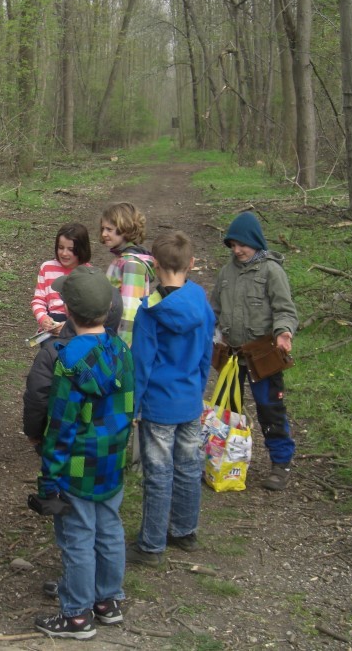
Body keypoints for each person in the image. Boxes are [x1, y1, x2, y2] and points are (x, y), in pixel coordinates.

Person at [26, 267, 133, 640]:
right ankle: (106, 599)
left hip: (76, 466)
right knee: (109, 529)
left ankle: (76, 614)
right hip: (112, 461)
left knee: (76, 537)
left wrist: (49, 476)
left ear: (68, 311)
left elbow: (61, 425)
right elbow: (128, 407)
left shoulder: (69, 359)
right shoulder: (122, 350)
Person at [126, 231, 215, 567]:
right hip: (190, 400)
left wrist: (135, 407)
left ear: (155, 266)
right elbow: (207, 351)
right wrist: (198, 389)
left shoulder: (149, 311)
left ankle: (151, 544)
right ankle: (184, 530)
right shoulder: (200, 300)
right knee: (190, 466)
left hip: (159, 406)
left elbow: (142, 363)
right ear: (191, 264)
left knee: (159, 473)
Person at [211, 211, 298, 491]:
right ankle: (224, 459)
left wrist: (284, 331)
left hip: (263, 354)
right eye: (233, 245)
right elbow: (215, 309)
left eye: (242, 244)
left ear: (255, 242)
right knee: (227, 410)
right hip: (232, 356)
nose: (237, 250)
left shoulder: (272, 271)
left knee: (270, 409)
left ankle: (280, 463)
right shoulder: (226, 274)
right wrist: (212, 332)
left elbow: (285, 309)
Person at [100, 202, 156, 346]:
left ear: (125, 229)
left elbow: (130, 311)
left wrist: (122, 350)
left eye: (109, 229)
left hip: (122, 343)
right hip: (111, 333)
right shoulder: (122, 259)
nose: (103, 234)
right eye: (102, 229)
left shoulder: (132, 264)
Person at [32, 223, 94, 336]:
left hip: (78, 327)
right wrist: (44, 319)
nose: (64, 253)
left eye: (70, 249)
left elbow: (91, 310)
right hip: (52, 325)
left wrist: (69, 326)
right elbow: (38, 301)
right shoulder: (47, 268)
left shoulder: (89, 273)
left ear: (81, 249)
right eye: (61, 248)